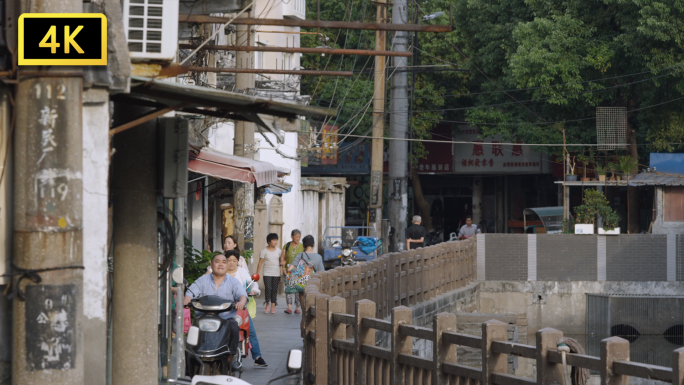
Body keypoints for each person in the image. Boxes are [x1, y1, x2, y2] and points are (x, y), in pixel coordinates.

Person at [183, 253, 247, 370]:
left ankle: (232, 357)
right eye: (217, 261)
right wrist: (187, 299)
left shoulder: (233, 282)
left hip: (225, 319)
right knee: (192, 331)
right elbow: (191, 293)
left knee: (234, 327)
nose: (221, 264)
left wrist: (241, 302)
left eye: (224, 262)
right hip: (203, 318)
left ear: (227, 266)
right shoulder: (202, 280)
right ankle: (189, 361)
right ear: (211, 265)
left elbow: (242, 294)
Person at [224, 250, 268, 367]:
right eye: (229, 261)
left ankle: (257, 356)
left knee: (250, 330)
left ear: (238, 261)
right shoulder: (221, 272)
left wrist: (254, 290)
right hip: (223, 307)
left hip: (240, 306)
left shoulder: (242, 272)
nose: (231, 263)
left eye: (234, 260)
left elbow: (252, 282)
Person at [288, 235, 325, 308]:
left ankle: (303, 316)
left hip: (302, 282)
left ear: (304, 245)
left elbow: (290, 269)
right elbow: (322, 272)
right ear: (313, 245)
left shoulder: (300, 255)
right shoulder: (318, 257)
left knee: (302, 295)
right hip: (314, 283)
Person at [280, 229, 304, 314]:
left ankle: (297, 307)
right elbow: (282, 257)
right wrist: (283, 268)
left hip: (299, 271)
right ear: (292, 236)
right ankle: (289, 307)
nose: (298, 238)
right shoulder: (286, 246)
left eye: (299, 237)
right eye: (296, 236)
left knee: (298, 290)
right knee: (289, 289)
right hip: (288, 270)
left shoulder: (302, 246)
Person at [256, 233, 282, 314]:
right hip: (266, 273)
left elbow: (281, 262)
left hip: (276, 273)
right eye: (273, 240)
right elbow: (260, 263)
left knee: (274, 290)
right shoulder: (264, 251)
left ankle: (273, 307)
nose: (275, 242)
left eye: (276, 240)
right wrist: (257, 273)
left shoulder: (279, 251)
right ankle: (267, 305)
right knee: (268, 289)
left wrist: (283, 269)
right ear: (269, 241)